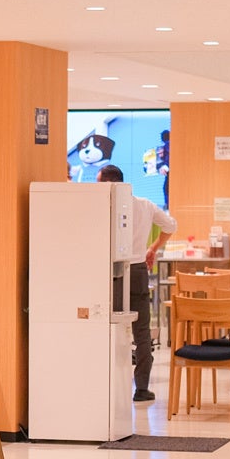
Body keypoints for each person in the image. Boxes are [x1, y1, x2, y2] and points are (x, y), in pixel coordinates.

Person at [97, 165, 176, 402]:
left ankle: (109, 384)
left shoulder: (104, 206)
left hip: (112, 272)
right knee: (141, 332)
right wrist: (153, 248)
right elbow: (171, 226)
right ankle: (142, 388)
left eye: (99, 182)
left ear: (110, 184)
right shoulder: (145, 205)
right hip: (138, 271)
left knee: (110, 326)